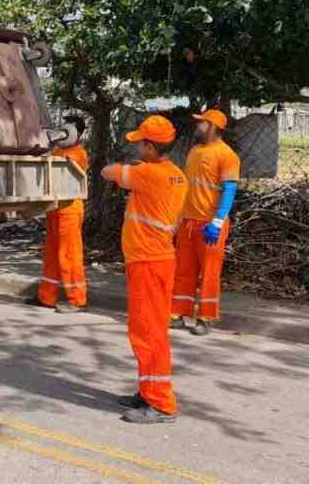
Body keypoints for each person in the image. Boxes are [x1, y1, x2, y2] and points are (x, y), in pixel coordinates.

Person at [101, 115, 187, 425]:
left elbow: (106, 171)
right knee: (149, 329)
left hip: (149, 262)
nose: (136, 146)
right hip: (159, 258)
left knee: (148, 333)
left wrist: (133, 169)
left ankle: (162, 404)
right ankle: (147, 391)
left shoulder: (149, 174)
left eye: (140, 142)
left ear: (151, 147)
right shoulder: (177, 174)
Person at [171, 109, 240, 336]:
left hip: (209, 224)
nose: (197, 126)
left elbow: (229, 190)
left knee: (209, 273)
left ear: (212, 127)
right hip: (188, 222)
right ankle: (180, 314)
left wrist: (218, 222)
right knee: (184, 270)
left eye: (201, 123)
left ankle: (205, 318)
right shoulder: (194, 151)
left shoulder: (226, 155)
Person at [30, 116, 89, 313]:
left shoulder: (78, 153)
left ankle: (77, 300)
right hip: (55, 209)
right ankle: (46, 296)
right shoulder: (59, 150)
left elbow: (62, 166)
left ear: (77, 134)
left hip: (70, 209)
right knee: (52, 254)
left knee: (70, 255)